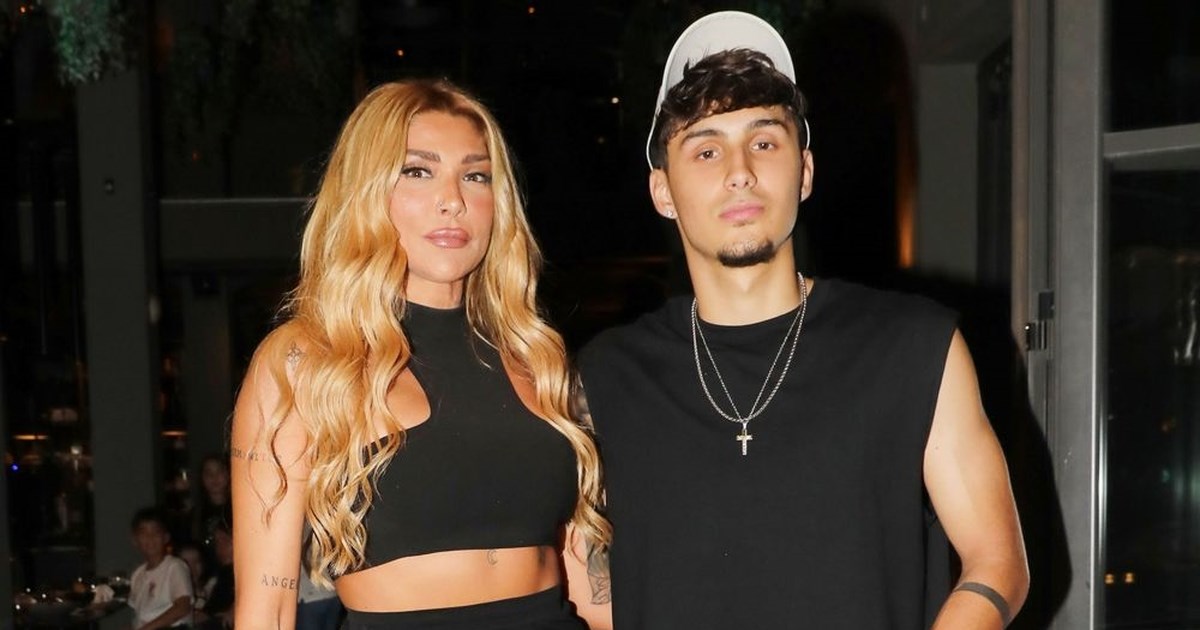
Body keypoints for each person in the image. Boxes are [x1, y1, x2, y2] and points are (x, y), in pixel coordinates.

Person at [576, 11, 1029, 629]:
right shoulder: (605, 376)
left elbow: (997, 561)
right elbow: (587, 592)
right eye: (706, 150)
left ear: (805, 171)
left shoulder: (914, 347)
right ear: (663, 192)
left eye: (764, 142)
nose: (740, 170)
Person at [230, 79, 611, 629]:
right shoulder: (306, 360)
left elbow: (586, 586)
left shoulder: (533, 357)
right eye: (417, 171)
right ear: (367, 191)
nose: (453, 199)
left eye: (475, 175)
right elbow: (266, 612)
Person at [128, 507, 193, 629]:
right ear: (135, 540)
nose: (150, 537)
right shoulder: (138, 574)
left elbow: (183, 607)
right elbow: (139, 617)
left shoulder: (175, 567)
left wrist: (148, 628)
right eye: (144, 533)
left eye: (156, 532)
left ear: (166, 537)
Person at [175, 542, 216, 615]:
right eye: (186, 563)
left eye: (196, 562)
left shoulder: (213, 587)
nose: (192, 568)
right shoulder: (172, 593)